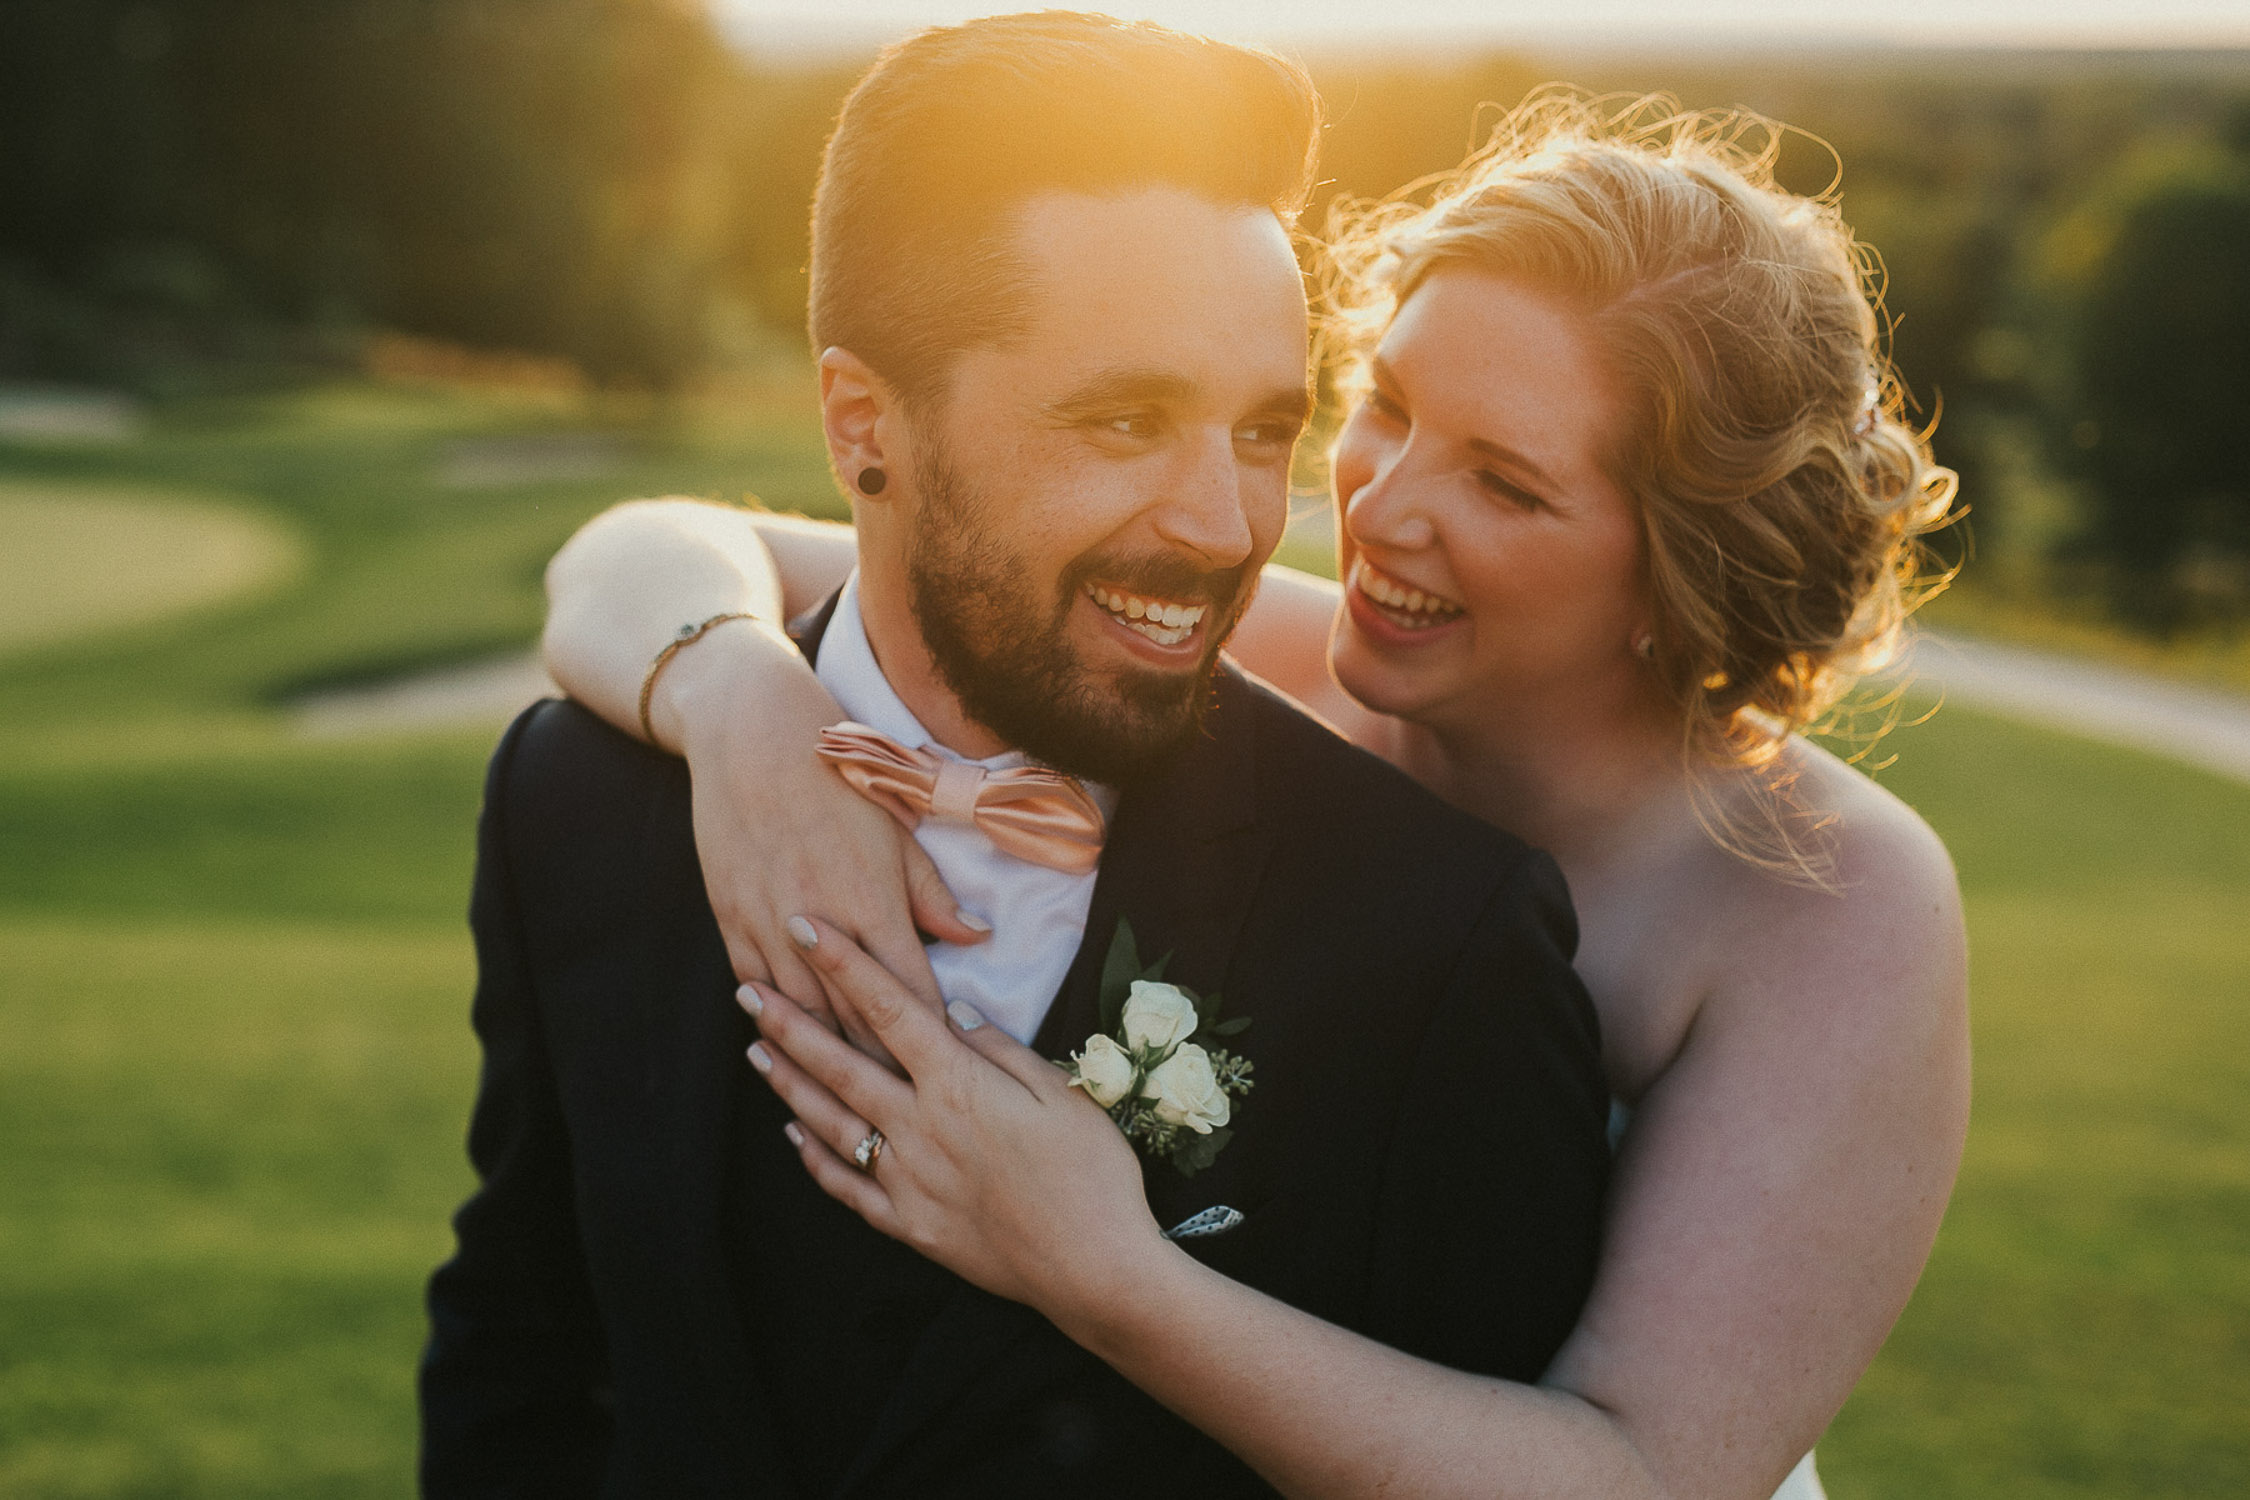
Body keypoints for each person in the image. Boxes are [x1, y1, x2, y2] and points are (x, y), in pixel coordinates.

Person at [538, 80, 1974, 1500]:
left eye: (1505, 484)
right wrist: (739, 712)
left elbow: (1641, 1474)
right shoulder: (1273, 650)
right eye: (1388, 406)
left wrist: (1101, 1271)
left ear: (1680, 563)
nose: (1381, 507)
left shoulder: (1827, 902)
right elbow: (643, 550)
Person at [421, 16, 1615, 1498]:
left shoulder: (1438, 939)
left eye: (1261, 430)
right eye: (1124, 420)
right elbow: (524, 1330)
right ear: (865, 426)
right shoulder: (577, 801)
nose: (1224, 525)